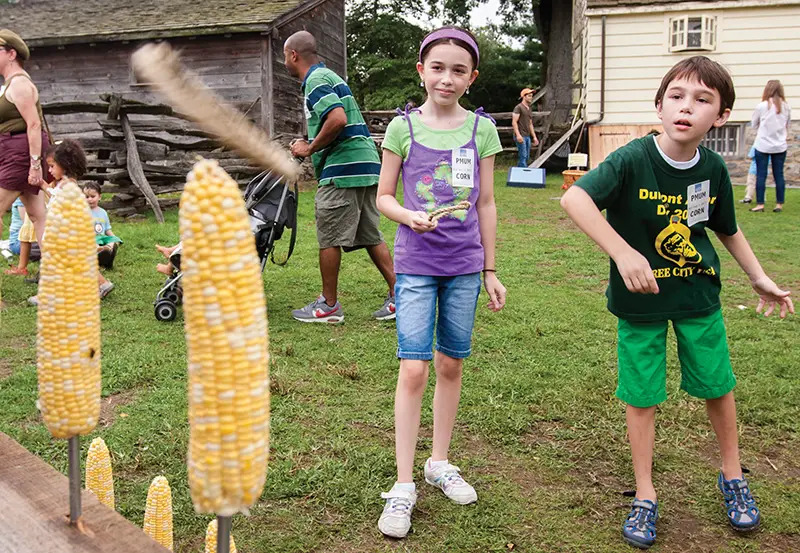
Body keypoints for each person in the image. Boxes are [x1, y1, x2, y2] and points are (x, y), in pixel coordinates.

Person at [561, 56, 794, 549]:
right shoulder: (630, 159)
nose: (687, 107)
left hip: (697, 298)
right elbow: (575, 199)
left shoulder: (711, 168)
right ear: (660, 105)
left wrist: (759, 277)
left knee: (717, 386)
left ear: (722, 116)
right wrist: (623, 253)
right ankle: (645, 494)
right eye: (677, 96)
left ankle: (732, 476)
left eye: (702, 100)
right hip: (639, 304)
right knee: (642, 397)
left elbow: (725, 228)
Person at [374, 26, 507, 539]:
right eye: (437, 68)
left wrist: (490, 269)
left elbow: (487, 204)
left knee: (451, 364)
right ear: (421, 71)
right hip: (415, 265)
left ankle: (439, 462)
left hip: (465, 267)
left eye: (457, 70)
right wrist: (408, 216)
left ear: (471, 78)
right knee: (414, 369)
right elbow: (384, 196)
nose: (446, 78)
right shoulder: (402, 129)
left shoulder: (482, 131)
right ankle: (403, 484)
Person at [284, 30, 397, 323]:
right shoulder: (332, 77)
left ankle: (329, 306)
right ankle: (401, 297)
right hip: (366, 165)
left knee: (329, 237)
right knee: (371, 234)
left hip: (344, 168)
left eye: (285, 55)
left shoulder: (315, 81)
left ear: (294, 55)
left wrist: (308, 148)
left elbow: (337, 119)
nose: (285, 61)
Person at [0, 29, 50, 261]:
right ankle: (63, 276)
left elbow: (33, 125)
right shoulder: (10, 84)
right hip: (15, 152)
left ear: (11, 54)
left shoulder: (19, 84)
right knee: (39, 216)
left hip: (21, 154)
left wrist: (35, 164)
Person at [749, 80, 791, 213]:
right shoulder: (786, 107)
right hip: (780, 146)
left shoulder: (762, 106)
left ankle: (760, 204)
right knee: (779, 175)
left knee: (761, 175)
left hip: (763, 145)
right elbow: (787, 125)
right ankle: (779, 204)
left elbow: (754, 124)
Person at [83, 182, 118, 298]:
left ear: (100, 196)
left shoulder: (103, 212)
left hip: (101, 238)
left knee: (112, 241)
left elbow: (107, 229)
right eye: (87, 197)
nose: (90, 200)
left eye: (93, 197)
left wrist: (114, 238)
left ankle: (107, 252)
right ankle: (102, 253)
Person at [512, 87, 539, 167]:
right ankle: (523, 175)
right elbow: (514, 122)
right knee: (523, 156)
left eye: (531, 96)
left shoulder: (529, 108)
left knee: (526, 157)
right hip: (521, 135)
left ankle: (518, 173)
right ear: (524, 96)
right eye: (529, 96)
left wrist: (534, 137)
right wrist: (518, 135)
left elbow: (530, 124)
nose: (531, 97)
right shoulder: (518, 107)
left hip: (527, 136)